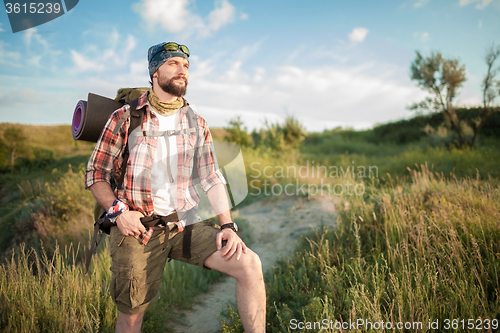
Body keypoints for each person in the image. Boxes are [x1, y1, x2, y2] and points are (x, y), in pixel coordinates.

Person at [85, 42, 266, 333]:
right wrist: (119, 213)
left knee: (250, 265)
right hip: (137, 228)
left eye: (186, 66)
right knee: (132, 315)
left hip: (183, 224)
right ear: (154, 72)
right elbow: (96, 173)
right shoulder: (124, 117)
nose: (182, 70)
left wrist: (228, 226)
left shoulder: (196, 122)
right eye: (173, 64)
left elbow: (212, 178)